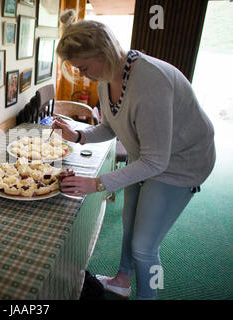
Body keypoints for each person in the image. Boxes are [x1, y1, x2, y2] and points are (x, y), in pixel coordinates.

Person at [52, 10, 216, 300]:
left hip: (182, 163)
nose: (80, 74)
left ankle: (147, 297)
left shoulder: (150, 82)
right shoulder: (106, 77)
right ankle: (122, 281)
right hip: (149, 156)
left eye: (83, 66)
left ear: (103, 52)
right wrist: (77, 136)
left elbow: (156, 162)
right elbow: (109, 127)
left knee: (144, 245)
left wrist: (97, 183)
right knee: (130, 223)